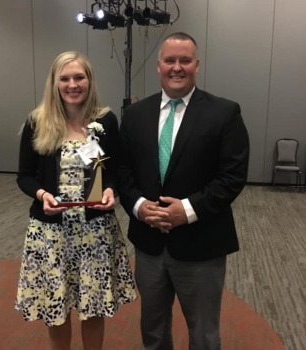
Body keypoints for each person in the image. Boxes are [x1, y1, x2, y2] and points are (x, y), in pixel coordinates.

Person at [118, 32, 250, 350]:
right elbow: (122, 173)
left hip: (202, 244)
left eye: (185, 60)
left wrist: (187, 211)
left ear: (197, 65)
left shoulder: (224, 113)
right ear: (158, 66)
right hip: (149, 246)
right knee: (153, 332)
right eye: (170, 60)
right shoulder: (135, 115)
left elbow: (231, 177)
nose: (177, 67)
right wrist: (138, 207)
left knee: (204, 335)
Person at [15, 51, 137, 350]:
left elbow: (108, 169)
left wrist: (110, 190)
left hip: (94, 231)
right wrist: (42, 195)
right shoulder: (37, 121)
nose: (73, 84)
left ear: (89, 81)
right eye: (65, 78)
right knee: (56, 308)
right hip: (51, 233)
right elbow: (25, 176)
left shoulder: (104, 120)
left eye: (79, 77)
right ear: (55, 83)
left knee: (92, 305)